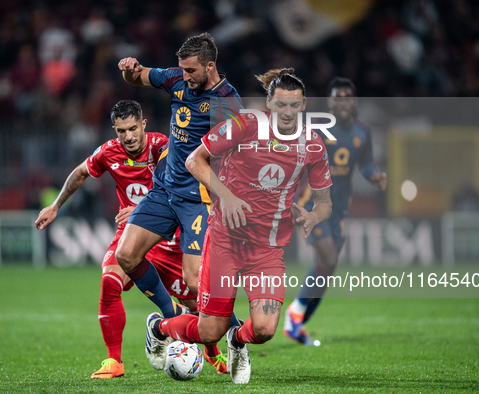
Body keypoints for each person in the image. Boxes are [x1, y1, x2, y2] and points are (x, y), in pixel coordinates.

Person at [144, 68, 333, 384]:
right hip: (225, 243)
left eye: (295, 105)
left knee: (265, 329)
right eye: (281, 105)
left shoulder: (312, 145)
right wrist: (226, 196)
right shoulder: (244, 125)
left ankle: (238, 341)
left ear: (303, 106)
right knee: (208, 331)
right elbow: (194, 160)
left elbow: (325, 202)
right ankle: (159, 328)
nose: (288, 112)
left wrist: (313, 216)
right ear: (269, 103)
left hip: (267, 250)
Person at [35, 100, 198, 379]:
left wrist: (144, 207)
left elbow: (181, 184)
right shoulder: (109, 152)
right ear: (115, 129)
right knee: (109, 281)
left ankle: (209, 347)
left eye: (133, 128)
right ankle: (114, 361)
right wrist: (56, 206)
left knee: (197, 305)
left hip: (168, 235)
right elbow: (80, 173)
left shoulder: (162, 146)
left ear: (144, 124)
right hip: (131, 233)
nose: (129, 136)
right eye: (122, 131)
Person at [116, 33, 242, 370]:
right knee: (125, 255)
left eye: (190, 70)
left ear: (210, 66)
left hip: (198, 201)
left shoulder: (227, 103)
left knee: (194, 283)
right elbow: (139, 75)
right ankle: (167, 319)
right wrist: (129, 69)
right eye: (182, 69)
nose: (184, 75)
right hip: (163, 191)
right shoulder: (175, 79)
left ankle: (235, 335)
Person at [284, 77, 387, 345]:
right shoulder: (316, 128)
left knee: (326, 268)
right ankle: (294, 314)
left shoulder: (362, 132)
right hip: (311, 203)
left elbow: (365, 164)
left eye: (347, 97)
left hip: (338, 208)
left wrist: (374, 176)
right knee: (328, 259)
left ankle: (298, 323)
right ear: (330, 102)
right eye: (337, 97)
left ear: (354, 102)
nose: (343, 102)